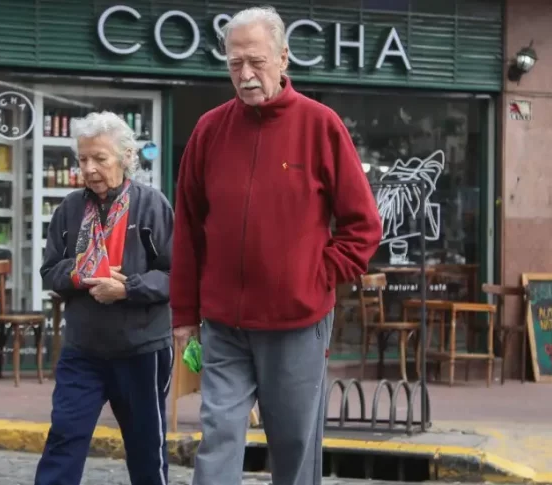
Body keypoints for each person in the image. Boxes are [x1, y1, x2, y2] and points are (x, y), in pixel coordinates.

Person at [170, 6, 382, 485]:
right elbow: (187, 229)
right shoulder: (209, 131)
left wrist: (315, 276)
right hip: (224, 324)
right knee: (219, 432)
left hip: (297, 323)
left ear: (284, 58)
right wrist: (184, 313)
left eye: (256, 61)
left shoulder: (320, 125)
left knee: (293, 445)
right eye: (234, 63)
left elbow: (363, 227)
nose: (245, 75)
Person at [35, 111, 174, 485]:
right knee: (64, 436)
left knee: (146, 448)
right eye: (83, 159)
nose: (90, 168)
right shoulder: (69, 210)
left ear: (127, 158)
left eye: (100, 158)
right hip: (84, 351)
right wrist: (81, 273)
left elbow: (177, 276)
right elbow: (49, 271)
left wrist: (128, 288)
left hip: (142, 350)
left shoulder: (151, 206)